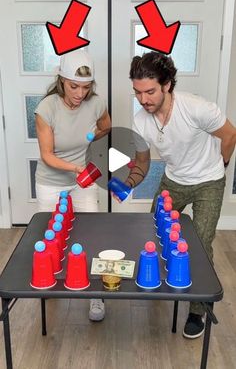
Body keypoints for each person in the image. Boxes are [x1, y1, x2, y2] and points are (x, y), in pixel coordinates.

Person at [124, 51, 236, 339]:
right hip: (173, 180)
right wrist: (127, 182)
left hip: (208, 182)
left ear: (167, 85)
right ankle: (159, 280)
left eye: (150, 91)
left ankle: (198, 309)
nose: (143, 99)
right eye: (137, 92)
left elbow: (230, 135)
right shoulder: (141, 119)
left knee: (200, 243)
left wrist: (221, 165)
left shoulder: (196, 108)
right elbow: (142, 159)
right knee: (151, 231)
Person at [35, 49, 111, 321]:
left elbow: (106, 126)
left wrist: (93, 133)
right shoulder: (47, 108)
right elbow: (47, 155)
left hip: (82, 182)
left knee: (91, 236)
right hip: (51, 181)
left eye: (86, 87)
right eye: (74, 86)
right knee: (50, 239)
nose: (80, 93)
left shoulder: (96, 103)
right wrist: (77, 168)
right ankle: (49, 283)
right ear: (61, 80)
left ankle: (95, 297)